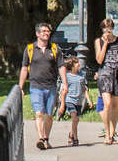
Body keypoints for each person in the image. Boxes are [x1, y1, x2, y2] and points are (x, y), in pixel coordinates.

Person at [18, 22, 64, 150]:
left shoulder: (55, 49)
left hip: (51, 86)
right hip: (35, 86)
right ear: (37, 34)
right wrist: (20, 87)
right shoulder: (30, 49)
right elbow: (24, 68)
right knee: (39, 113)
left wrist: (65, 83)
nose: (46, 33)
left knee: (48, 115)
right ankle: (41, 138)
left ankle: (46, 138)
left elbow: (61, 67)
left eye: (48, 31)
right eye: (43, 31)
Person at [94, 18, 118, 145]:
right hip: (104, 74)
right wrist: (106, 44)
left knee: (114, 106)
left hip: (116, 74)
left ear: (112, 29)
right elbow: (99, 60)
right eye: (104, 29)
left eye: (109, 29)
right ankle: (107, 133)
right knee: (107, 104)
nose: (106, 32)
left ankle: (113, 133)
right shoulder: (99, 41)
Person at [61, 55, 87, 147]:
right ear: (71, 65)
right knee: (74, 117)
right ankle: (76, 138)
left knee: (76, 121)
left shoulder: (81, 76)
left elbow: (84, 88)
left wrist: (89, 100)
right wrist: (62, 104)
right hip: (70, 100)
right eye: (76, 63)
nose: (79, 64)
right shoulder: (67, 77)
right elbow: (63, 91)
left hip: (79, 101)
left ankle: (71, 134)